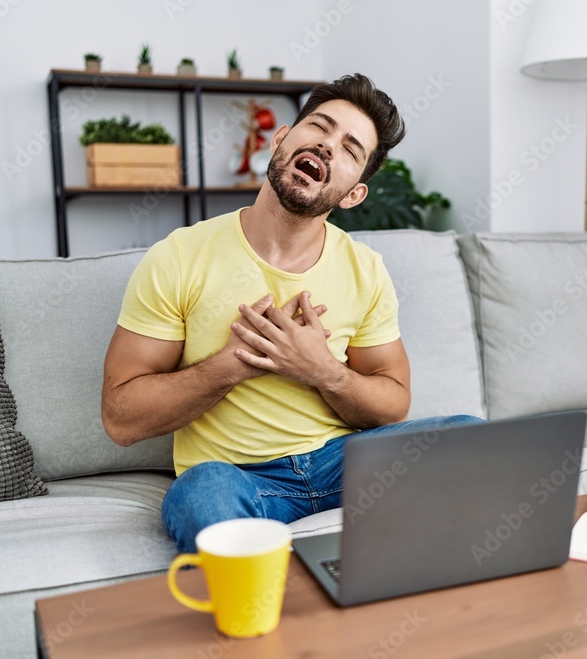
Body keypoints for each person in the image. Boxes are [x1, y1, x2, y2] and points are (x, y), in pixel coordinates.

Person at [101, 73, 480, 553]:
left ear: (352, 195)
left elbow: (394, 402)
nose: (326, 145)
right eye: (319, 127)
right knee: (199, 495)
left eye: (350, 149)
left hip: (342, 464)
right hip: (240, 477)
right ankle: (272, 601)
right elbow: (120, 418)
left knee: (470, 439)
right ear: (282, 139)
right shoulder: (179, 257)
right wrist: (234, 363)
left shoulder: (365, 270)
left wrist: (323, 372)